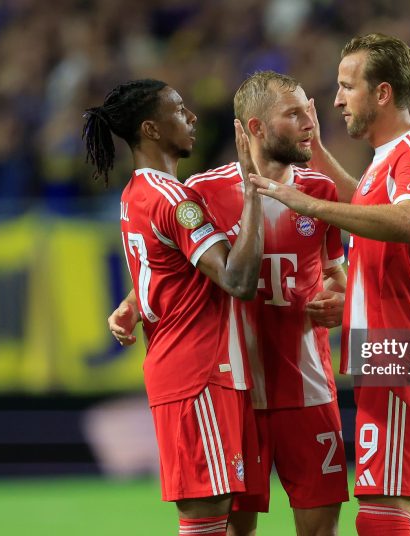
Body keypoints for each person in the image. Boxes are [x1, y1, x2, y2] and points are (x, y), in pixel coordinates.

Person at [110, 71, 350, 536]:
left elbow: (336, 274)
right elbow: (175, 263)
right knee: (234, 528)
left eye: (310, 112)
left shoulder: (320, 193)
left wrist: (343, 301)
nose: (310, 125)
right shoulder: (202, 192)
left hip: (309, 385)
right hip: (239, 392)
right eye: (295, 114)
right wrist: (134, 302)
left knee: (321, 529)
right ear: (256, 127)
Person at [249, 34, 410, 536]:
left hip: (404, 356)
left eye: (347, 87)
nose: (337, 100)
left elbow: (409, 222)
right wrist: (317, 150)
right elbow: (366, 209)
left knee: (379, 518)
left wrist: (306, 203)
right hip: (394, 354)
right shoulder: (385, 162)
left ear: (382, 94)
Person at [83, 79, 264, 536]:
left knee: (226, 518)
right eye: (180, 110)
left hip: (189, 369)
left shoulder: (136, 195)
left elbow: (162, 274)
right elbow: (238, 281)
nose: (193, 118)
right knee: (205, 516)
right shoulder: (176, 200)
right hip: (198, 372)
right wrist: (255, 192)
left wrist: (133, 305)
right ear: (151, 128)